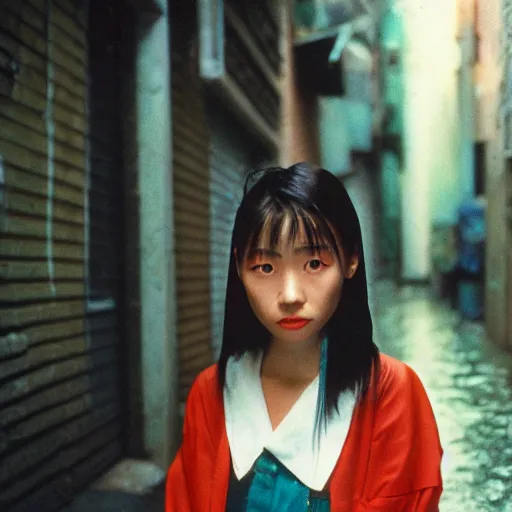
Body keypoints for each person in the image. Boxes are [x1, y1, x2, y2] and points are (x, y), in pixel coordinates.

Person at [166, 163, 443, 512]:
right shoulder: (211, 394)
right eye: (265, 267)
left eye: (313, 263)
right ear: (239, 268)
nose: (290, 295)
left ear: (351, 260)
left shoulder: (390, 393)